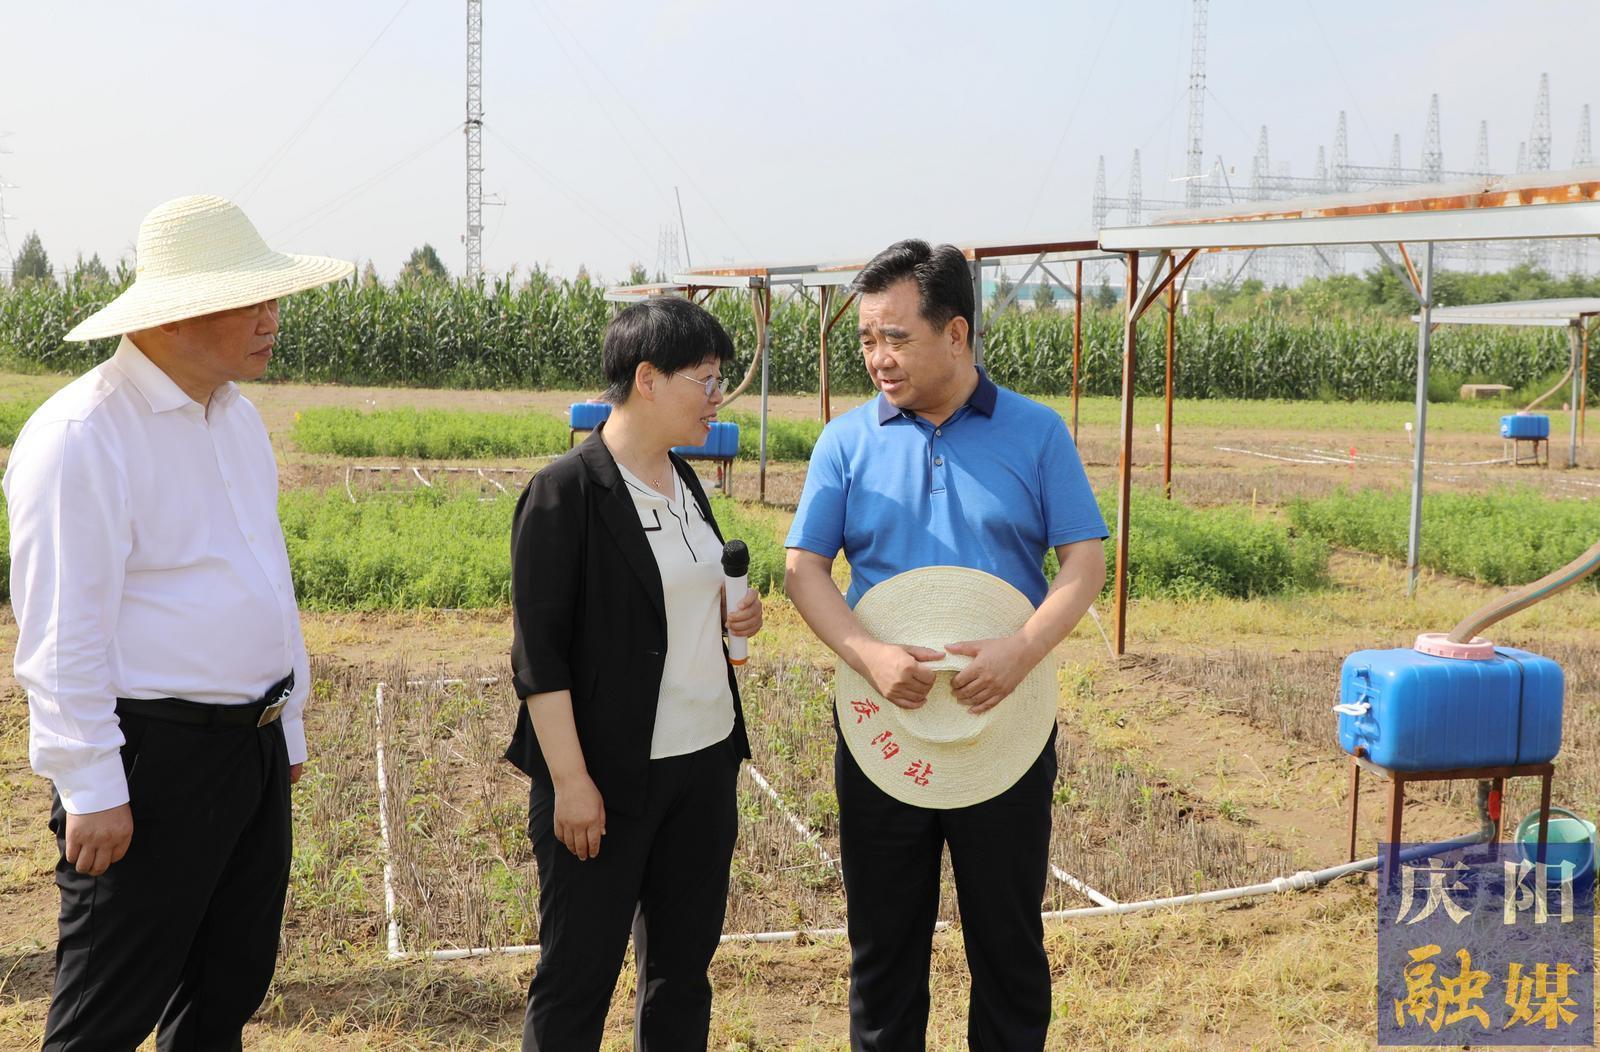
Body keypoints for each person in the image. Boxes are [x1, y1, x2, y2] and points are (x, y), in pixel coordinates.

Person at [4, 194, 352, 1050]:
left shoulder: (236, 418)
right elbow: (58, 632)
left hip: (250, 750)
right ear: (178, 313)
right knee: (105, 1015)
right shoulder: (84, 435)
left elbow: (268, 576)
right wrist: (91, 784)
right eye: (255, 299)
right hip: (152, 762)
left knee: (224, 991)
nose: (274, 319)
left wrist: (289, 727)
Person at [784, 239, 1109, 1050]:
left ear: (956, 334)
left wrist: (1022, 649)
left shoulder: (1035, 434)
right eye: (865, 339)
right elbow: (803, 570)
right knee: (884, 951)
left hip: (1004, 721)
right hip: (882, 725)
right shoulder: (847, 441)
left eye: (896, 337)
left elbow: (1085, 560)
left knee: (1006, 943)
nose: (877, 358)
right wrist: (870, 655)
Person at [506, 295, 764, 1051]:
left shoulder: (687, 484)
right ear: (647, 379)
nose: (716, 400)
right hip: (607, 778)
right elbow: (539, 658)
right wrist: (572, 783)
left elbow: (674, 600)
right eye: (706, 380)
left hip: (703, 764)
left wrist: (729, 615)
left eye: (721, 381)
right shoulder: (565, 493)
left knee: (682, 976)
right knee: (576, 980)